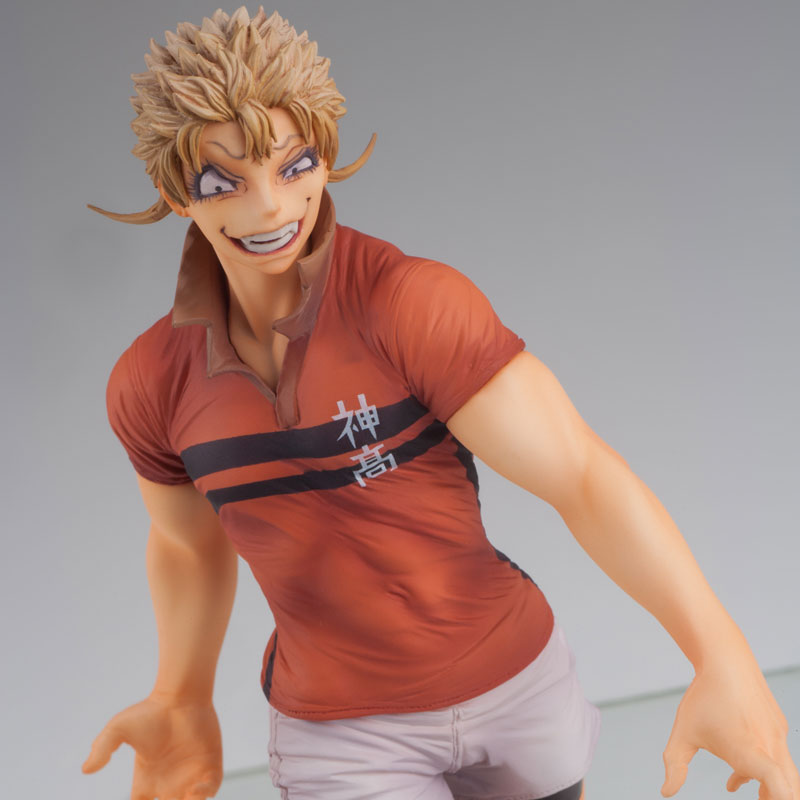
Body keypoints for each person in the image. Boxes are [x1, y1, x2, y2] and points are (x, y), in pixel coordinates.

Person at [81, 7, 798, 800]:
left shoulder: (408, 304)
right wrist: (182, 693)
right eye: (225, 183)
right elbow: (185, 546)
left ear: (325, 158)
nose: (271, 208)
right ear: (174, 192)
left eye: (293, 165)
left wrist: (721, 654)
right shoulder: (152, 380)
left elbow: (581, 474)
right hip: (341, 733)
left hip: (516, 686)